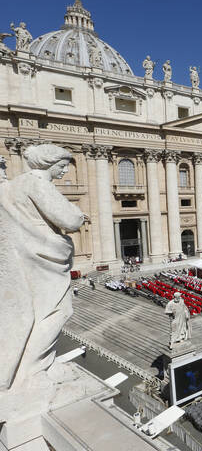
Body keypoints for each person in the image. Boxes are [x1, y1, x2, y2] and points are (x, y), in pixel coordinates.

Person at [0, 144, 86, 390]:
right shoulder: (37, 184)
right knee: (58, 311)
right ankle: (36, 370)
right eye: (61, 166)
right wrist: (78, 214)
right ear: (48, 163)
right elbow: (70, 218)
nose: (65, 171)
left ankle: (24, 368)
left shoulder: (13, 184)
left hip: (27, 255)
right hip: (43, 258)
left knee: (36, 313)